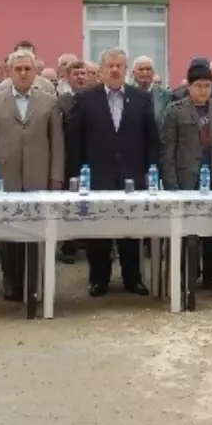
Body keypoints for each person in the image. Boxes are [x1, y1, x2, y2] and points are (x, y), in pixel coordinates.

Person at [0, 50, 65, 302]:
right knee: (10, 233)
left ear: (35, 73)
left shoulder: (49, 101)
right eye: (19, 69)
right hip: (5, 177)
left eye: (28, 69)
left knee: (36, 233)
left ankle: (33, 283)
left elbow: (57, 141)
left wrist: (56, 176)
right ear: (8, 72)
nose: (24, 74)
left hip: (39, 175)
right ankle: (11, 282)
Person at [66, 47, 157, 297]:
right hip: (97, 174)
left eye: (120, 66)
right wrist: (74, 175)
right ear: (102, 70)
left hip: (131, 174)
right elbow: (75, 141)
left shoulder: (140, 98)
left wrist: (150, 170)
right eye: (110, 66)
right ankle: (99, 279)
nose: (115, 70)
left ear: (126, 70)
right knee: (99, 230)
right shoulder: (85, 99)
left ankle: (132, 278)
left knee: (130, 229)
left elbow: (151, 139)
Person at [160, 59, 212, 291]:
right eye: (199, 85)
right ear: (189, 87)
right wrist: (171, 183)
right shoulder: (175, 111)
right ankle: (189, 271)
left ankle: (211, 273)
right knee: (188, 229)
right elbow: (168, 150)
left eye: (207, 85)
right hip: (188, 177)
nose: (203, 90)